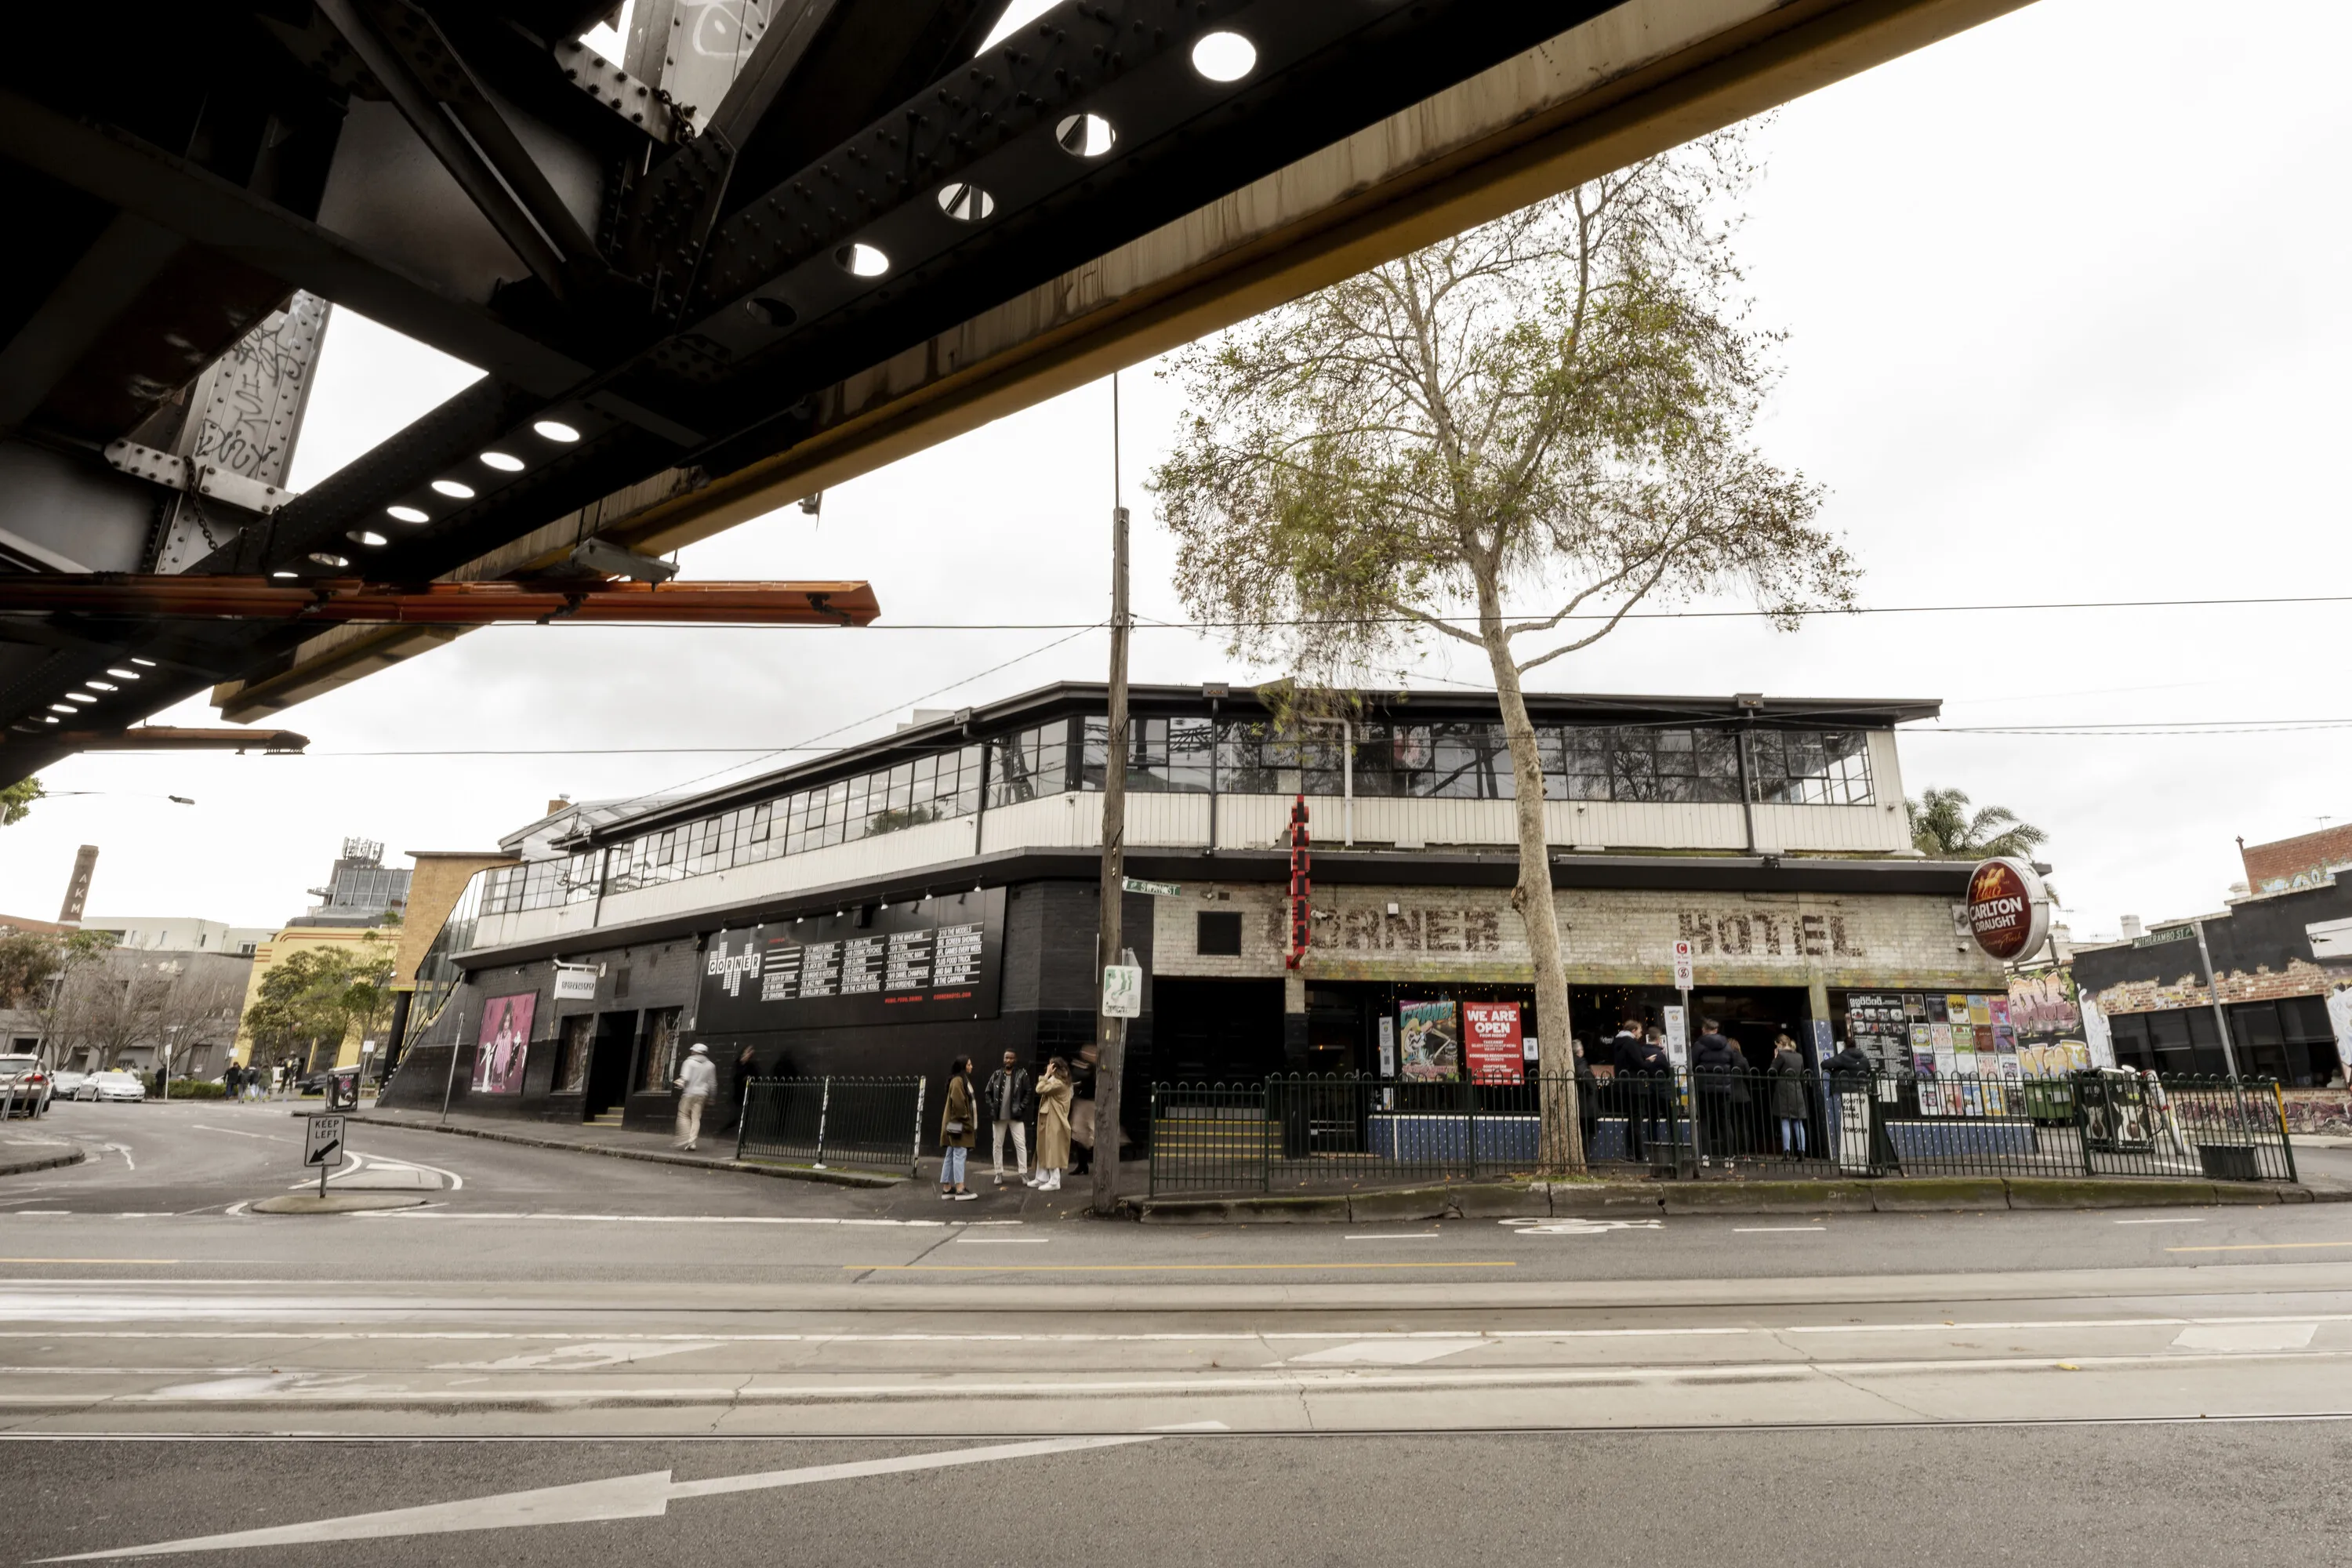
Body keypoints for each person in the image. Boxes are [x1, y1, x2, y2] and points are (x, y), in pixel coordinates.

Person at [1691, 1018, 1740, 1163]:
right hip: (1723, 1089)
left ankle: (1705, 1157)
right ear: (1716, 1030)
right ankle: (1728, 1157)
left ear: (1703, 1029)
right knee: (1725, 1122)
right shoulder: (1727, 1045)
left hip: (1705, 1089)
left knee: (1705, 1122)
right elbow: (1734, 1063)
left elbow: (1692, 1064)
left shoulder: (1699, 1045)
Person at [983, 1051, 1033, 1185]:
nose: (1009, 1060)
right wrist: (992, 1106)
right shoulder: (997, 1074)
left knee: (1020, 1144)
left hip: (1016, 1116)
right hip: (999, 1117)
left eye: (1011, 1058)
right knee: (997, 1144)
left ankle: (1023, 1173)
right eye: (1007, 1058)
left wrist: (1022, 1107)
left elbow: (1028, 1092)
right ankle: (998, 1173)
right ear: (1003, 1059)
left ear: (1015, 1059)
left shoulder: (1022, 1074)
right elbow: (987, 1092)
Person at [1029, 1056, 1074, 1192]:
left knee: (1053, 1148)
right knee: (1043, 1147)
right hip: (1049, 1118)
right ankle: (1042, 1177)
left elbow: (1039, 1088)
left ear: (1055, 1068)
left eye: (1050, 1066)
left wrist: (1047, 1074)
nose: (1047, 1068)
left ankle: (1055, 1181)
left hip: (1055, 1120)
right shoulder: (1057, 1081)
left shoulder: (1059, 1083)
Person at [1608, 1017, 1648, 1160]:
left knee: (1632, 1119)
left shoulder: (1619, 1043)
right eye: (1640, 1031)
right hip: (1635, 1086)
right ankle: (1638, 1154)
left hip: (1624, 1086)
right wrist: (1648, 1062)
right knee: (1636, 1120)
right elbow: (1639, 1063)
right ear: (1633, 1030)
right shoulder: (1631, 1044)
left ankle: (1631, 1152)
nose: (1641, 1034)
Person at [938, 1056, 978, 1200]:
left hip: (953, 1123)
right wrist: (968, 1122)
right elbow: (959, 1104)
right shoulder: (958, 1081)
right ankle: (960, 1188)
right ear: (963, 1066)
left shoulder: (958, 1080)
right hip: (958, 1124)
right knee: (959, 1154)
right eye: (969, 1064)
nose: (971, 1066)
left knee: (951, 1154)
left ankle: (947, 1188)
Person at [1768, 1033, 1810, 1156]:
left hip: (1784, 1090)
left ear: (1780, 1044)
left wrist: (1775, 1058)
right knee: (1798, 1121)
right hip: (1797, 1089)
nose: (1777, 1048)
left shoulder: (1781, 1056)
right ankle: (1802, 1151)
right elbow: (1802, 1074)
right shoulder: (1799, 1056)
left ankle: (1787, 1151)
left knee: (1785, 1119)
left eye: (1777, 1045)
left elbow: (1771, 1071)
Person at [672, 1041, 717, 1151]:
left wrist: (680, 1083)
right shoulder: (711, 1065)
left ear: (695, 1052)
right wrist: (712, 1097)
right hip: (702, 1094)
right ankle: (692, 1142)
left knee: (683, 1115)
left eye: (693, 1050)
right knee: (696, 1119)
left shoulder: (689, 1062)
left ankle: (684, 1137)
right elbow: (712, 1083)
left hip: (689, 1093)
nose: (691, 1051)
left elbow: (685, 1078)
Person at [718, 1044, 758, 1134]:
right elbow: (735, 1078)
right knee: (736, 1116)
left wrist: (750, 1077)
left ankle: (741, 1138)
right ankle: (725, 1130)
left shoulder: (751, 1066)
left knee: (744, 1117)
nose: (750, 1054)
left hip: (748, 1094)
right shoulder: (738, 1064)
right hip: (738, 1094)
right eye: (748, 1052)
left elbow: (756, 1077)